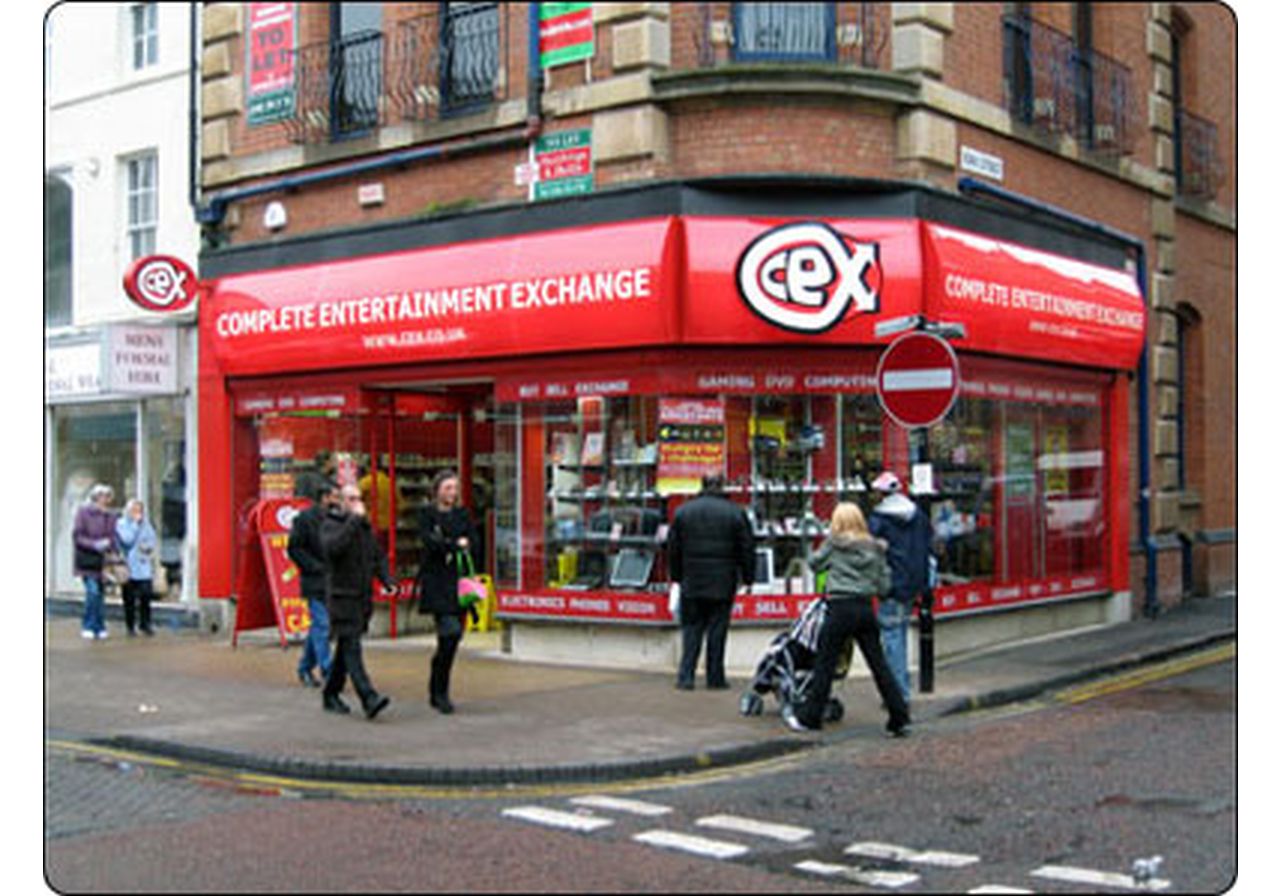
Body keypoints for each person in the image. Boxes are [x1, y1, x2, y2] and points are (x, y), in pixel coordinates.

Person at [783, 503, 910, 736]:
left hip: (839, 607)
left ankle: (810, 718)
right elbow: (884, 586)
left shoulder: (834, 544)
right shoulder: (876, 549)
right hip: (865, 608)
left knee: (825, 664)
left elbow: (814, 564)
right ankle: (899, 716)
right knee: (879, 665)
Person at [667, 473, 755, 691]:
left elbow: (673, 549)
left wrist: (677, 576)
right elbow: (747, 548)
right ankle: (715, 677)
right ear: (722, 485)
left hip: (692, 579)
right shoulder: (736, 513)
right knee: (718, 629)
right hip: (723, 580)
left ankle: (686, 676)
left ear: (702, 485)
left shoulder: (683, 512)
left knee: (691, 629)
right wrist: (748, 577)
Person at [319, 484, 396, 720]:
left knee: (345, 649)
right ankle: (369, 697)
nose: (357, 503)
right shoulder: (331, 525)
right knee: (352, 648)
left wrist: (387, 580)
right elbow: (334, 549)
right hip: (342, 598)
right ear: (341, 502)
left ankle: (330, 693)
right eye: (351, 499)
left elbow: (377, 556)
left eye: (359, 499)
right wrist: (353, 521)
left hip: (361, 597)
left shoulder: (363, 528)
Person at [414, 470, 478, 714]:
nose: (452, 493)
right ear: (437, 490)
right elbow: (430, 542)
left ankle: (439, 687)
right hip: (437, 583)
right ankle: (439, 692)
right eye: (448, 488)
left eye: (455, 488)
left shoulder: (462, 514)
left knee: (453, 638)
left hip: (459, 582)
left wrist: (457, 544)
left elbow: (473, 541)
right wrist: (453, 544)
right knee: (449, 631)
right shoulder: (427, 514)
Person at [868, 470, 932, 708]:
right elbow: (928, 545)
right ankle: (902, 689)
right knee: (900, 635)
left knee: (892, 639)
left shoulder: (879, 520)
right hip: (914, 583)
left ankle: (898, 695)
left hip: (892, 585)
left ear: (881, 493)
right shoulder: (918, 515)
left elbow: (868, 550)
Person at [288, 478, 340, 688]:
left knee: (319, 627)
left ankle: (304, 667)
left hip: (333, 581)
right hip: (315, 581)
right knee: (322, 625)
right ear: (324, 498)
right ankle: (328, 669)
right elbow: (294, 549)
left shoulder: (337, 518)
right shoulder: (305, 519)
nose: (338, 500)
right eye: (335, 496)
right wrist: (313, 567)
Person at [73, 483, 118, 640]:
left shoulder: (111, 516)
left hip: (103, 563)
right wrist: (94, 544)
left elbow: (113, 536)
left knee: (100, 595)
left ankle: (100, 626)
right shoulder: (83, 513)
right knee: (92, 592)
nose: (105, 500)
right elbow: (78, 536)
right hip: (87, 560)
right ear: (95, 497)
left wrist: (111, 546)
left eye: (108, 497)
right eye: (102, 496)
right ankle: (88, 625)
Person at [115, 499, 158, 636]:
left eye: (140, 510)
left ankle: (145, 623)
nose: (138, 513)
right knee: (129, 598)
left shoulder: (146, 524)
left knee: (146, 595)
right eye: (134, 510)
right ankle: (130, 625)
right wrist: (134, 524)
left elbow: (152, 538)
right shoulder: (121, 524)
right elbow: (126, 539)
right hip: (128, 566)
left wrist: (148, 546)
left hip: (143, 565)